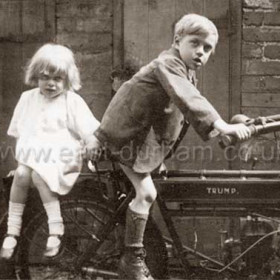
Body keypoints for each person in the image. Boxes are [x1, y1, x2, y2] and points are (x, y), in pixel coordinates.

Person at [85, 14, 251, 280]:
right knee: (147, 194)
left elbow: (176, 118)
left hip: (139, 139)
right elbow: (189, 99)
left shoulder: (184, 71)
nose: (201, 52)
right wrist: (222, 125)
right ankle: (132, 260)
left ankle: (134, 252)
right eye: (195, 43)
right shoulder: (168, 64)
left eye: (207, 48)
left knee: (149, 191)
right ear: (177, 40)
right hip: (126, 137)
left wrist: (216, 133)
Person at [0, 43, 99, 260]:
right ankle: (12, 231)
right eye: (45, 77)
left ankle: (56, 228)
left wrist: (91, 143)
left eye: (57, 79)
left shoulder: (71, 101)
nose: (51, 84)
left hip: (62, 158)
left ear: (67, 80)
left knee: (37, 173)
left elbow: (90, 131)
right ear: (36, 76)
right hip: (35, 157)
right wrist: (22, 161)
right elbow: (20, 133)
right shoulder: (28, 99)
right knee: (22, 174)